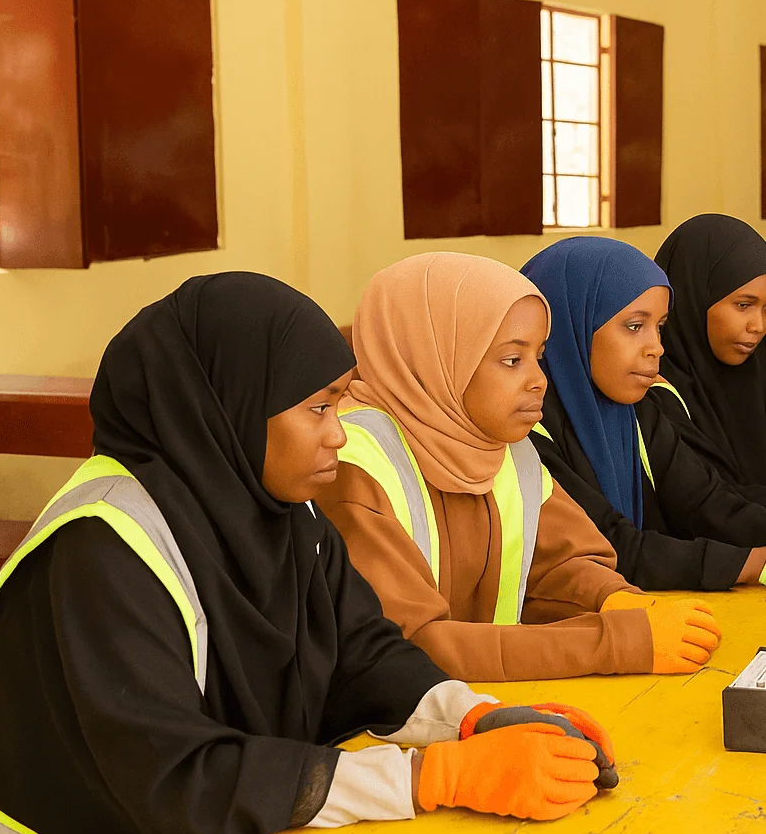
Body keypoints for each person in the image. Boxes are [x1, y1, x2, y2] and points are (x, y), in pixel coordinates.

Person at [0, 273, 613, 834]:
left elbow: (363, 653)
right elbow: (181, 775)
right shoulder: (102, 549)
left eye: (340, 403)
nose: (339, 435)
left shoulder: (281, 514)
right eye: (318, 409)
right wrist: (431, 778)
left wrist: (472, 716)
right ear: (235, 406)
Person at [317, 252, 721, 684]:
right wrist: (614, 641)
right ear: (436, 357)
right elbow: (414, 646)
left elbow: (562, 565)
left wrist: (617, 599)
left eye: (539, 357)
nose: (539, 380)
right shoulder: (351, 464)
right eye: (512, 360)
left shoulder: (506, 447)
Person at [521, 236, 766, 592]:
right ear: (573, 324)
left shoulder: (638, 412)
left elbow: (706, 503)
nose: (656, 348)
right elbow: (609, 544)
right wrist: (748, 564)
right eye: (635, 326)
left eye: (660, 327)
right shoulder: (526, 432)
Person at [650, 214, 766, 496]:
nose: (759, 327)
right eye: (743, 305)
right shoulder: (653, 392)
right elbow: (706, 505)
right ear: (694, 297)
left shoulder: (758, 368)